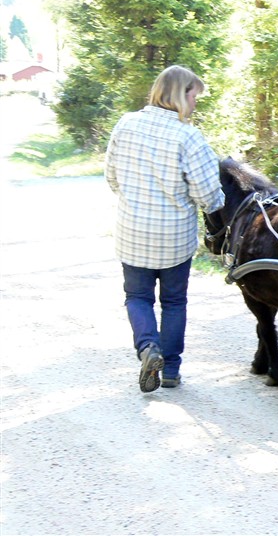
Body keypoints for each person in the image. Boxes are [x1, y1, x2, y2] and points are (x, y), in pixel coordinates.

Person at [105, 65, 224, 393]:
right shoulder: (188, 136)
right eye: (194, 95)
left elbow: (112, 177)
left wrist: (136, 201)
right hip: (173, 237)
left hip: (132, 233)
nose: (195, 102)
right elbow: (208, 195)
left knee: (137, 296)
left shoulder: (125, 124)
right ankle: (170, 369)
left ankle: (148, 349)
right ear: (180, 94)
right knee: (174, 302)